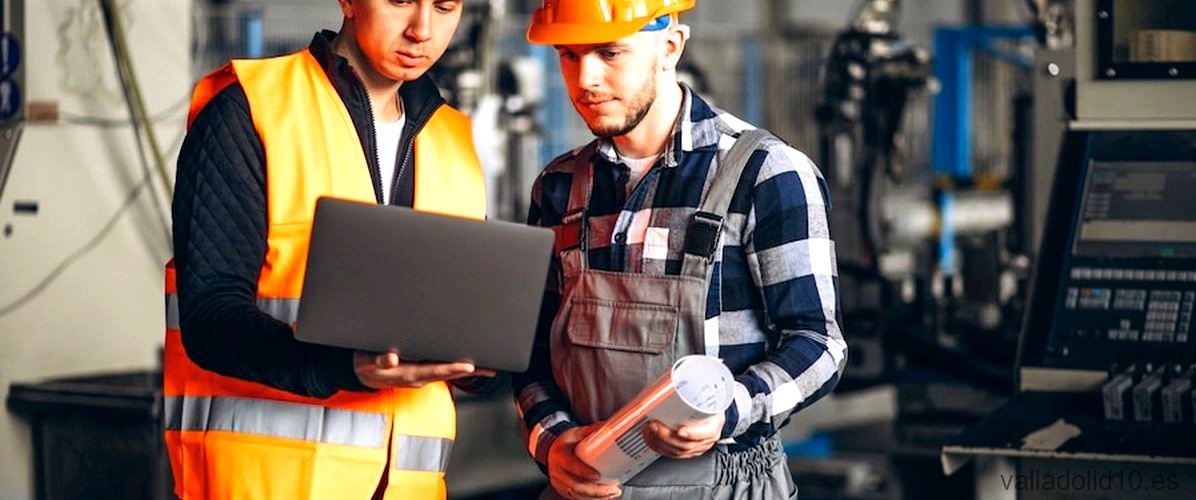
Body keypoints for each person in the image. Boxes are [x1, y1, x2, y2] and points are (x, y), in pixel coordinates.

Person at [512, 1, 848, 498]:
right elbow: (534, 355)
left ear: (670, 47)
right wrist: (552, 442)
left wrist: (731, 408)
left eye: (609, 53)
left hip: (725, 486)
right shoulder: (559, 187)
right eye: (568, 54)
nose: (585, 79)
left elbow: (819, 344)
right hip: (585, 488)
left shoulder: (766, 174)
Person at [165, 1, 494, 499]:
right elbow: (210, 316)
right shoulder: (250, 111)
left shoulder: (453, 143)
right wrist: (344, 367)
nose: (422, 29)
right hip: (265, 484)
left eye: (445, 6)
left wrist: (485, 364)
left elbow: (462, 322)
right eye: (400, 1)